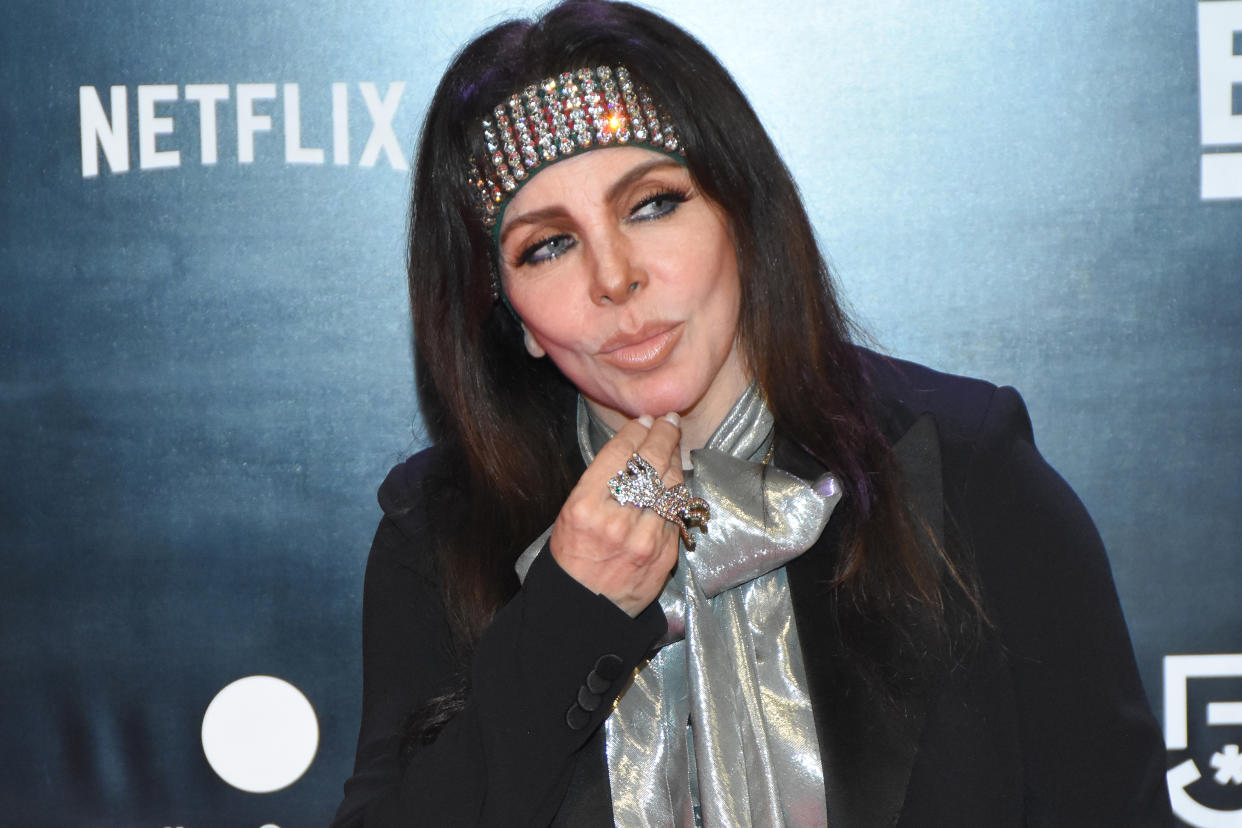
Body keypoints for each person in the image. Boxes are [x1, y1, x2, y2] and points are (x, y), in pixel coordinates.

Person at [332, 1, 1172, 825]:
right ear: (511, 316)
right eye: (547, 245)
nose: (614, 278)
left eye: (652, 203)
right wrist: (564, 617)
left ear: (742, 214)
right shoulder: (438, 534)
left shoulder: (962, 470)